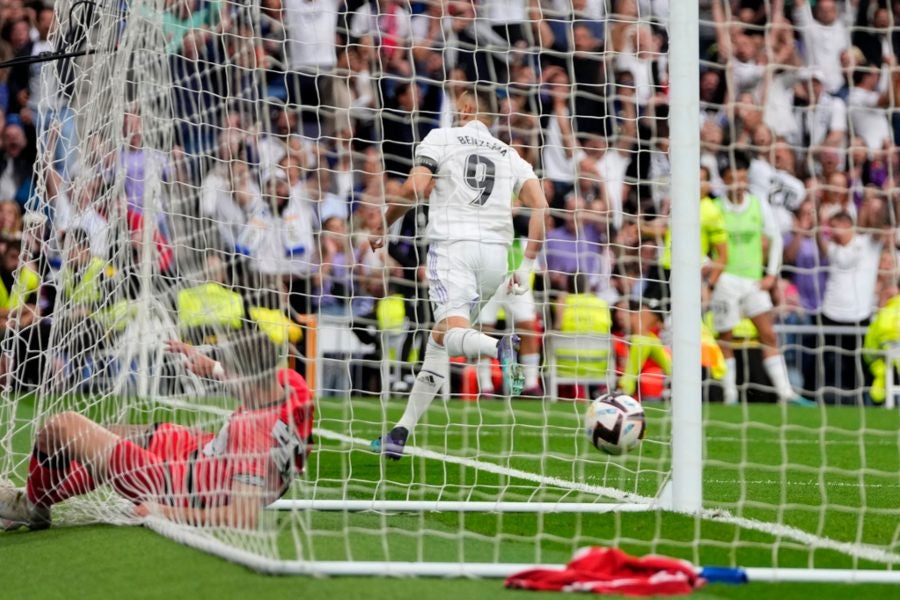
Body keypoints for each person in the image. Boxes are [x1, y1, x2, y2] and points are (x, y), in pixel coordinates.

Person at [368, 87, 548, 459]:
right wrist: (526, 267)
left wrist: (385, 225)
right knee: (440, 338)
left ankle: (497, 346)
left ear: (466, 109)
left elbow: (415, 188)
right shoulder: (510, 154)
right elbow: (542, 208)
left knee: (452, 332)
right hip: (496, 260)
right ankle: (401, 431)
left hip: (453, 249)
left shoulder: (442, 138)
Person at [0, 331, 313, 531]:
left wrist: (162, 511)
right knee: (108, 435)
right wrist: (213, 367)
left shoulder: (252, 434)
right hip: (198, 454)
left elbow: (244, 515)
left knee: (61, 428)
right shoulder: (293, 386)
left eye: (231, 372)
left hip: (173, 486)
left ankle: (31, 506)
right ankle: (39, 500)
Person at [711, 153, 807, 406]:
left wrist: (772, 274)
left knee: (768, 334)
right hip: (726, 281)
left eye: (742, 178)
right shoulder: (716, 207)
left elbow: (775, 238)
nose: (738, 184)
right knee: (726, 338)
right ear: (724, 180)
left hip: (753, 281)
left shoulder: (757, 204)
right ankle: (729, 394)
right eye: (733, 179)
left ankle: (785, 392)